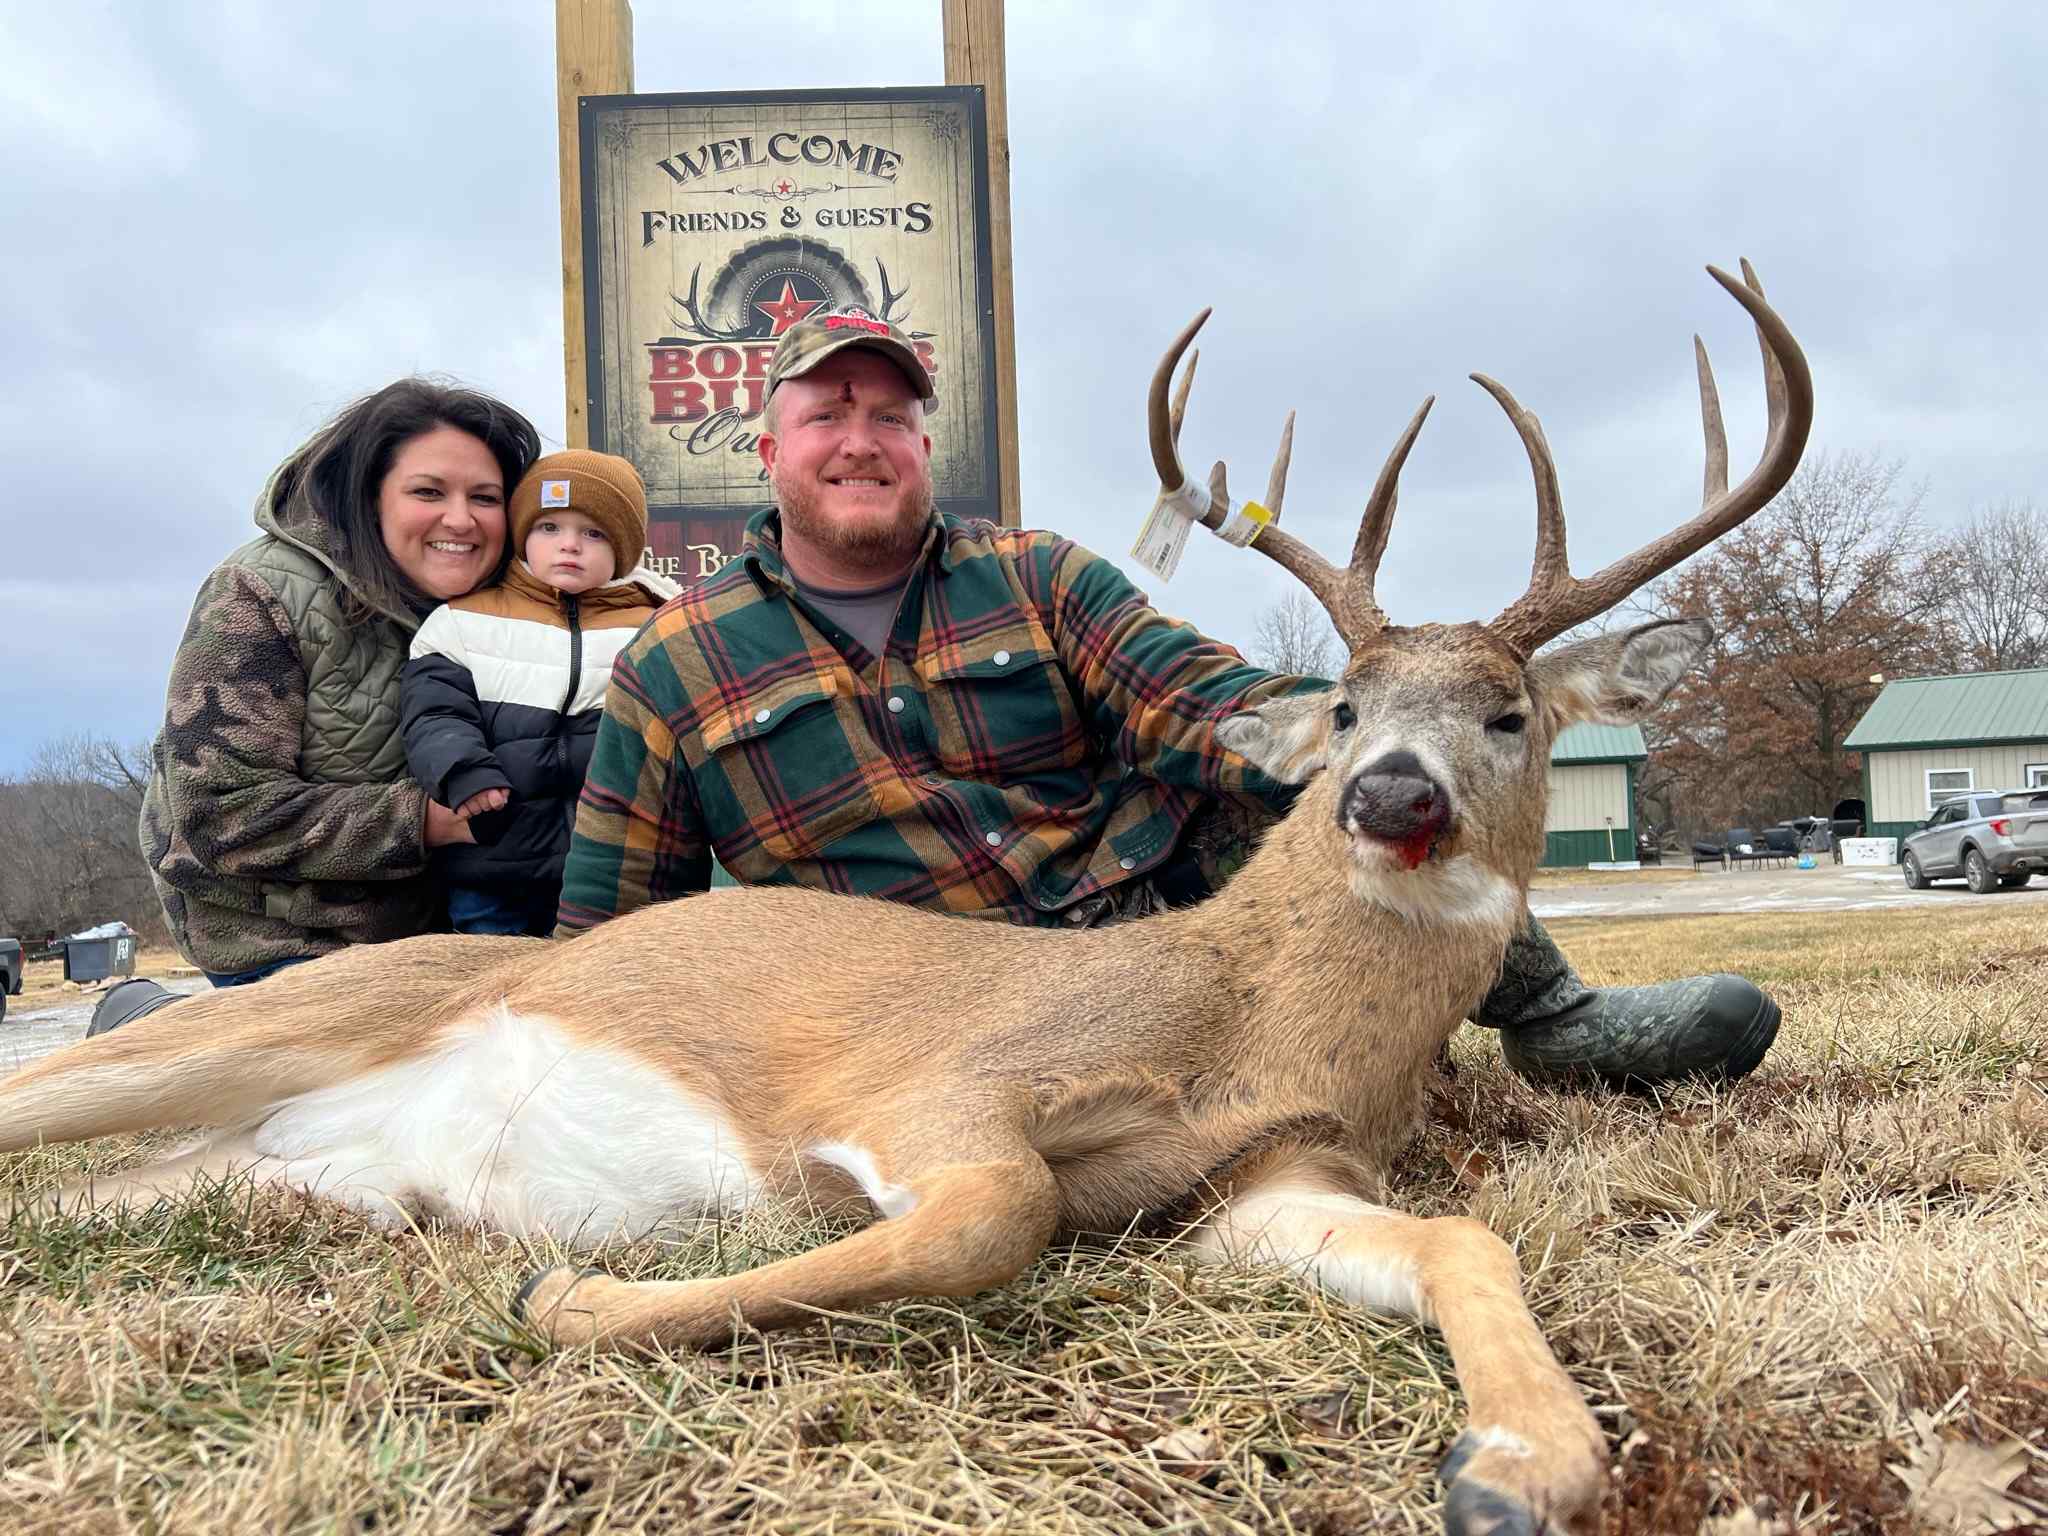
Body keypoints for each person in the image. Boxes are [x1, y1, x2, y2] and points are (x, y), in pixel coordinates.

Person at [554, 311, 1779, 1089]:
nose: (859, 440)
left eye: (889, 416)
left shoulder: (1038, 577)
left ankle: (1547, 1016)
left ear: (926, 446)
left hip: (1150, 941)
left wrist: (1395, 709)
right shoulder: (675, 665)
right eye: (825, 415)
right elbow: (612, 926)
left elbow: (1202, 700)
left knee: (1310, 780)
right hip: (913, 1005)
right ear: (767, 452)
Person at [91, 379, 543, 1036]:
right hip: (284, 932)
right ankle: (153, 1028)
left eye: (485, 497)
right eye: (428, 492)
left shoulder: (526, 612)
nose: (460, 519)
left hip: (453, 923)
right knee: (401, 1072)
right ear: (370, 495)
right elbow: (220, 812)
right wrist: (426, 821)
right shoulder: (260, 592)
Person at [399, 451, 677, 937]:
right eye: (549, 528)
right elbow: (435, 713)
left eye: (594, 533)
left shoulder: (657, 626)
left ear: (624, 548)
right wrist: (463, 772)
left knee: (598, 978)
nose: (569, 545)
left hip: (606, 869)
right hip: (493, 863)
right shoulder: (463, 622)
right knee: (491, 976)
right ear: (522, 534)